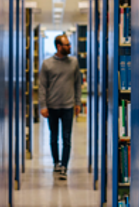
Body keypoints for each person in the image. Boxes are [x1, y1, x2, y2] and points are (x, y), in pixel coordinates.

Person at [38, 34, 81, 180]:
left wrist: (78, 103)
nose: (70, 47)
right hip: (52, 107)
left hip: (68, 106)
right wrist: (43, 106)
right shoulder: (47, 64)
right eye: (67, 45)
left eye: (69, 44)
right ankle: (56, 162)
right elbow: (42, 87)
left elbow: (77, 84)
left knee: (67, 138)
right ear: (58, 46)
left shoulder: (74, 62)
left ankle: (64, 166)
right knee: (54, 137)